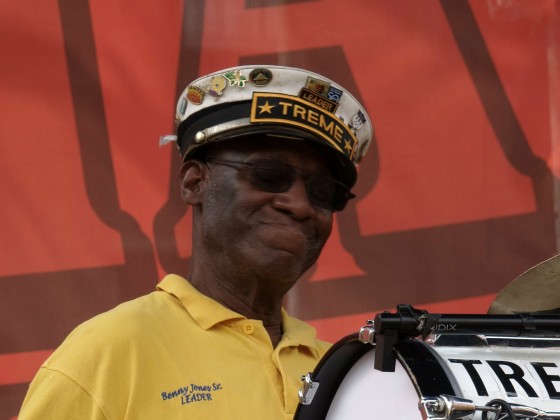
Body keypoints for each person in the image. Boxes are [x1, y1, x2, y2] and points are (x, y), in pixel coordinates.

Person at [19, 65, 373, 419]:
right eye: (268, 175)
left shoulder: (349, 376)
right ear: (194, 183)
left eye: (323, 192)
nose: (298, 204)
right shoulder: (108, 352)